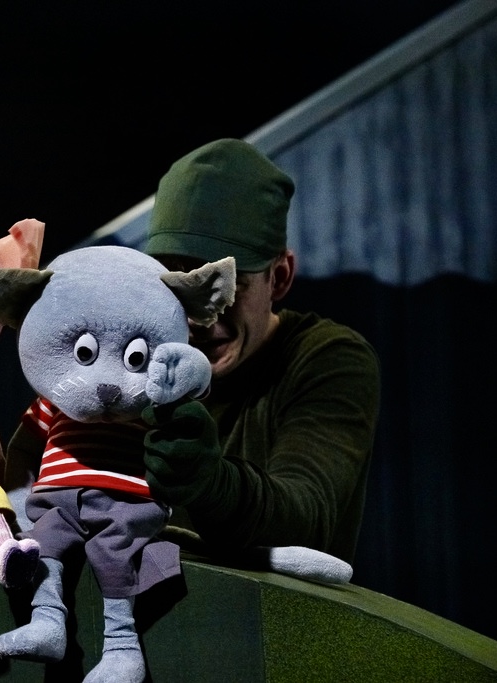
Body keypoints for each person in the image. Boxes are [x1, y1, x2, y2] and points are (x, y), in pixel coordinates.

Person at [140, 138, 381, 565]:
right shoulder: (134, 356)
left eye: (225, 288)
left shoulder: (327, 358)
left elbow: (307, 518)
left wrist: (213, 485)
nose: (200, 318)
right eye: (178, 285)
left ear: (280, 277)